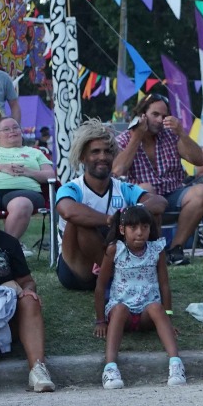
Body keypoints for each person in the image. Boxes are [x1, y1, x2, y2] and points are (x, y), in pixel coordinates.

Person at [55, 121, 166, 292]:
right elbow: (68, 211)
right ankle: (121, 275)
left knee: (151, 214)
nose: (102, 157)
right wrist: (112, 220)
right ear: (83, 157)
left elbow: (159, 203)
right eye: (95, 152)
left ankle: (139, 272)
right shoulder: (72, 187)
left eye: (107, 151)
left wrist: (127, 213)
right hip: (78, 270)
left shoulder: (122, 187)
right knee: (80, 223)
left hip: (115, 251)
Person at [92, 205, 185, 389]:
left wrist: (168, 317)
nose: (139, 233)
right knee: (119, 309)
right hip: (122, 311)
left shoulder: (156, 250)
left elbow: (164, 285)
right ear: (122, 229)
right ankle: (110, 368)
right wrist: (101, 320)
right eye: (133, 228)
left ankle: (176, 363)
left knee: (156, 308)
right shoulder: (115, 250)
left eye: (144, 227)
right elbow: (100, 286)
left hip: (146, 312)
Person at [112, 95, 203, 267]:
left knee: (202, 191)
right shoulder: (125, 139)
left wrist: (181, 132)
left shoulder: (171, 136)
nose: (160, 120)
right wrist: (137, 137)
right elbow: (117, 170)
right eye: (155, 114)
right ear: (142, 115)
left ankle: (175, 249)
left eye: (164, 116)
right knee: (147, 189)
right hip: (142, 201)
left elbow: (200, 160)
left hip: (173, 194)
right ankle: (157, 251)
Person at [0, 205, 53, 391]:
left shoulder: (7, 242)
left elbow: (27, 281)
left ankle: (38, 370)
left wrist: (27, 289)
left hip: (5, 314)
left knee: (29, 300)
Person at [0, 116, 53, 241]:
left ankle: (6, 249)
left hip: (25, 192)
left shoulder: (35, 152)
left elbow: (50, 175)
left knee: (21, 204)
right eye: (6, 129)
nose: (12, 131)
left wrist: (29, 172)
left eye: (15, 127)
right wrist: (0, 167)